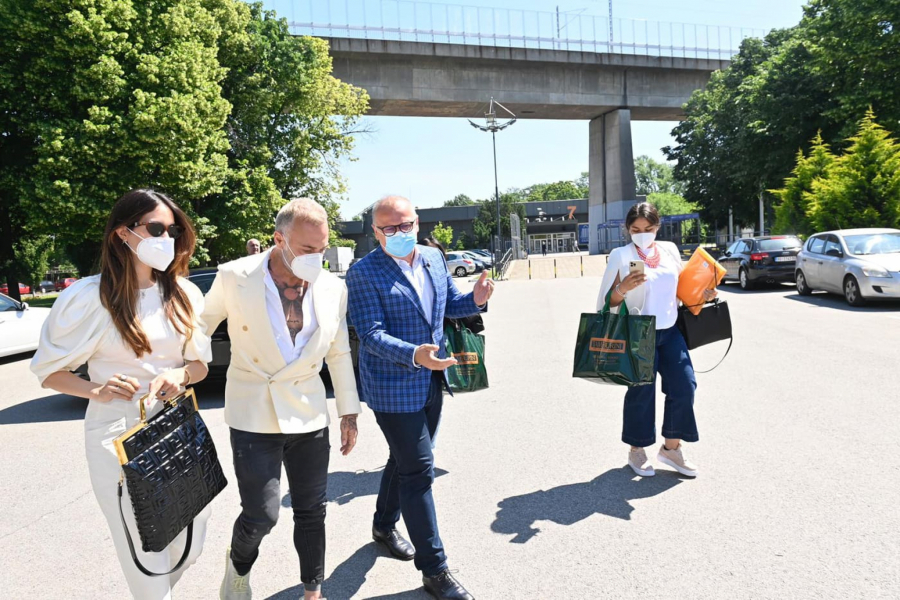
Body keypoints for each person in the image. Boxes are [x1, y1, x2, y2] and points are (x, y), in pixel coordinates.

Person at [30, 189, 212, 599]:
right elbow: (49, 374)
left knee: (190, 542)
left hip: (175, 427)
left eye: (174, 229)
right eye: (156, 228)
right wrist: (96, 387)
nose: (167, 237)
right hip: (115, 433)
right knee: (144, 550)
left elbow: (199, 365)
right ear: (122, 234)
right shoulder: (87, 298)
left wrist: (180, 375)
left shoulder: (184, 294)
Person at [202, 198, 361, 600]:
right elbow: (200, 325)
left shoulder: (332, 287)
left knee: (312, 510)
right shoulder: (234, 275)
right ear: (279, 238)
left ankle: (313, 591)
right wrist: (183, 369)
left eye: (322, 249)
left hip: (308, 411)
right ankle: (238, 566)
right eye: (308, 250)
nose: (317, 258)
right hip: (252, 409)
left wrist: (348, 411)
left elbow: (338, 352)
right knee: (262, 514)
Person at [346, 196, 493, 600]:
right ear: (375, 232)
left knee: (404, 458)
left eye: (406, 225)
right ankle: (435, 570)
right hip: (393, 385)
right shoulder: (363, 272)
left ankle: (382, 524)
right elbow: (371, 334)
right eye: (389, 228)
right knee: (419, 470)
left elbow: (449, 307)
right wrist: (414, 354)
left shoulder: (431, 257)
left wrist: (477, 298)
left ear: (417, 222)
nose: (399, 233)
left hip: (432, 380)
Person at [597, 202, 716, 478]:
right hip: (639, 332)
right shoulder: (620, 255)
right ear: (628, 229)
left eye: (648, 228)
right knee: (642, 392)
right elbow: (606, 302)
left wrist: (703, 294)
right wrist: (621, 289)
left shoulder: (669, 251)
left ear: (657, 227)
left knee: (685, 386)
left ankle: (671, 448)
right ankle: (637, 450)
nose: (642, 234)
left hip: (671, 330)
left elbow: (682, 290)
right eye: (636, 229)